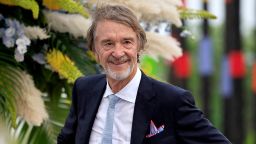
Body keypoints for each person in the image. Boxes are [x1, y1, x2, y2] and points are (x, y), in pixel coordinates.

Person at [57, 4, 231, 144]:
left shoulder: (172, 101)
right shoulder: (84, 89)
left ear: (139, 46)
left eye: (127, 42)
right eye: (108, 43)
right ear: (94, 49)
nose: (118, 53)